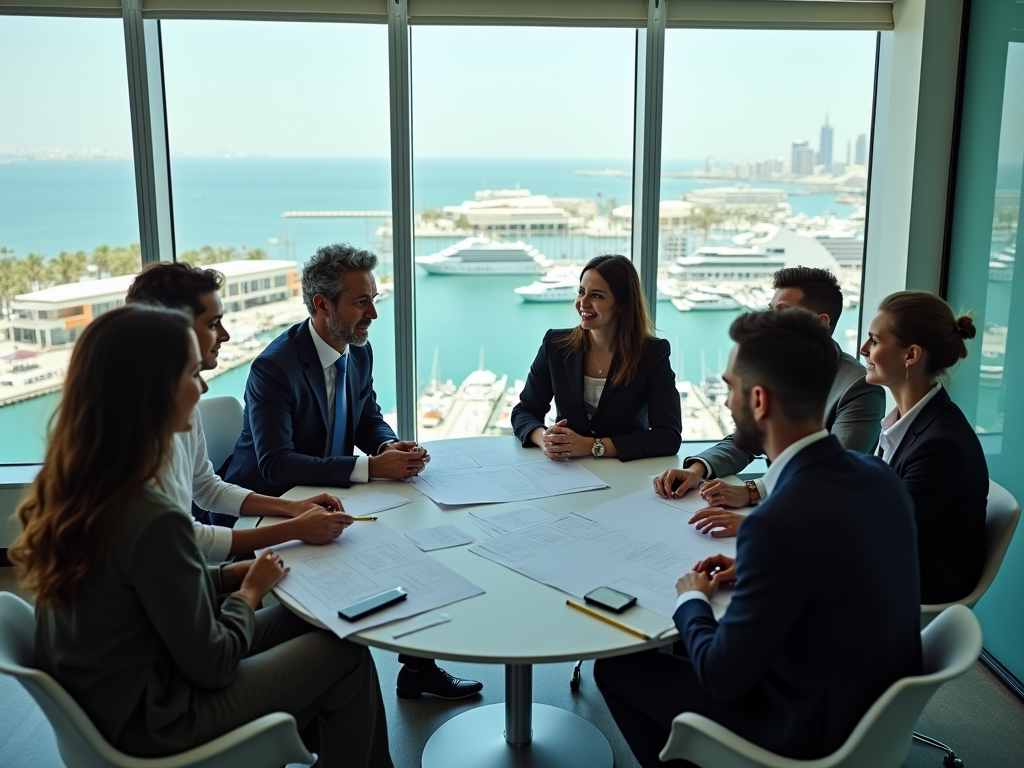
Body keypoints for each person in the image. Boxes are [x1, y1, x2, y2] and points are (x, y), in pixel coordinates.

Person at [9, 305, 392, 766]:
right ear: (153, 391)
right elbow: (212, 662)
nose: (204, 387)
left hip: (122, 687)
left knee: (315, 617)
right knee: (344, 655)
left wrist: (233, 576)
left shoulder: (77, 486)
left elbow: (155, 591)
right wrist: (250, 591)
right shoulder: (150, 515)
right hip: (160, 715)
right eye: (193, 374)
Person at [594, 308, 922, 768]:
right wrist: (753, 570)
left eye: (730, 388)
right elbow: (838, 565)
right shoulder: (878, 476)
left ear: (760, 401)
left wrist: (691, 599)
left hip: (804, 729)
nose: (726, 402)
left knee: (617, 668)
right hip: (873, 709)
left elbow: (721, 678)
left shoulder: (775, 523)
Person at [224, 243, 483, 701]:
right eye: (361, 302)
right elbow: (275, 463)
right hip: (271, 504)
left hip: (328, 490)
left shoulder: (357, 352)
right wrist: (369, 467)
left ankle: (418, 669)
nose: (373, 315)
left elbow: (367, 416)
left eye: (373, 300)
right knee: (383, 552)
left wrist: (386, 445)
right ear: (322, 305)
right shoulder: (273, 367)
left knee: (414, 539)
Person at [126, 262, 353, 563]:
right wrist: (294, 529)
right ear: (173, 329)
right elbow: (185, 539)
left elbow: (206, 489)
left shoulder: (185, 400)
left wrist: (291, 508)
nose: (225, 335)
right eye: (212, 324)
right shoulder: (132, 431)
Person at [654, 266, 885, 538]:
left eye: (782, 312)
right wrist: (697, 470)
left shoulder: (858, 388)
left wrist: (753, 493)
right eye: (770, 310)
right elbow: (749, 439)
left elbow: (829, 477)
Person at [861, 290, 988, 604]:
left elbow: (875, 531)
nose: (864, 349)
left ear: (910, 355)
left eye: (875, 341)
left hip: (909, 590)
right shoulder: (906, 423)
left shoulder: (942, 446)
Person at [511, 254, 682, 461]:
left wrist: (592, 446)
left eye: (597, 296)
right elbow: (525, 411)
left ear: (622, 304)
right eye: (581, 292)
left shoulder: (652, 353)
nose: (583, 303)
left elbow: (668, 436)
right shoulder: (555, 345)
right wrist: (545, 439)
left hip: (626, 474)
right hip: (567, 472)